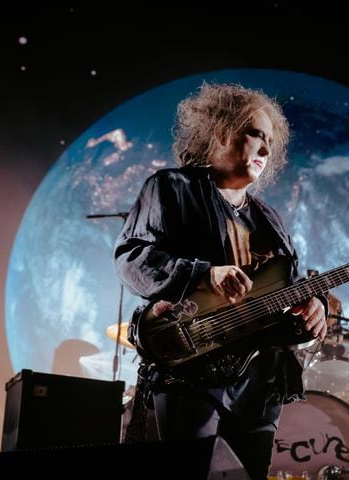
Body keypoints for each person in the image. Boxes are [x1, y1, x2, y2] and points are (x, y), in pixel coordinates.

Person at [114, 82, 328, 480]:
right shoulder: (171, 188)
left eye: (270, 142)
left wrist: (313, 307)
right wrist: (203, 274)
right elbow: (132, 258)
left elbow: (287, 289)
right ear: (220, 130)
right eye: (256, 135)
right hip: (193, 367)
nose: (266, 150)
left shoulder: (270, 220)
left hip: (261, 378)